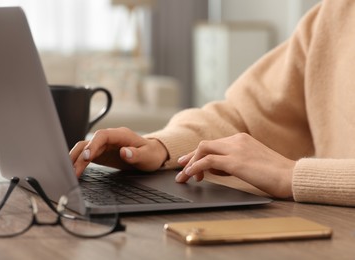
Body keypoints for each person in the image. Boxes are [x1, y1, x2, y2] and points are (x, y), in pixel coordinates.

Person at [70, 0, 355, 207]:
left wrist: (292, 175)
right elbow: (240, 115)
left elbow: (286, 173)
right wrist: (161, 147)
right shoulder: (335, 15)